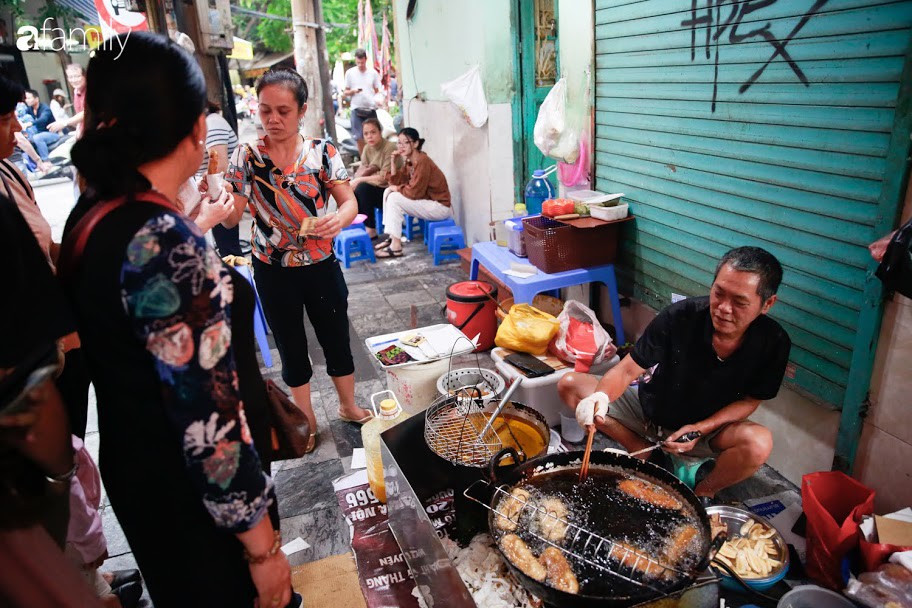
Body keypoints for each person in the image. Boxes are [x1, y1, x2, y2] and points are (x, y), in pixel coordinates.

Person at [58, 32, 296, 608]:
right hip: (193, 501)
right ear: (192, 127)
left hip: (138, 472)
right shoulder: (163, 242)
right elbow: (208, 424)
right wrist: (262, 550)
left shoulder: (93, 214)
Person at [559, 247, 791, 500]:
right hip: (651, 415)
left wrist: (700, 429)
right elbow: (627, 370)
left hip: (706, 432)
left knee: (758, 442)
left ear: (767, 303)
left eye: (739, 302)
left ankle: (704, 492)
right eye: (718, 293)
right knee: (571, 384)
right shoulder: (681, 317)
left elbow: (750, 401)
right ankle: (643, 449)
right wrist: (600, 398)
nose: (723, 308)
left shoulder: (774, 342)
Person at [225, 67, 374, 450]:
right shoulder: (247, 156)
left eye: (283, 111)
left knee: (336, 336)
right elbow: (231, 215)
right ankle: (305, 421)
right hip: (273, 269)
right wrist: (212, 196)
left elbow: (348, 201)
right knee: (291, 345)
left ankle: (347, 405)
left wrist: (336, 221)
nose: (272, 119)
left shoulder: (322, 152)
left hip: (321, 264)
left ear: (302, 110)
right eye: (265, 110)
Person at [375, 127, 452, 258]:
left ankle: (396, 246)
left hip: (439, 207)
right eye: (399, 142)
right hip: (427, 203)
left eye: (406, 142)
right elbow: (397, 182)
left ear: (415, 144)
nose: (401, 146)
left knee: (394, 197)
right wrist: (393, 163)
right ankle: (393, 236)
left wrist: (397, 189)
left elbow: (415, 192)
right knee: (388, 191)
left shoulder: (423, 161)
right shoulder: (410, 161)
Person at [195, 102, 242, 257]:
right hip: (212, 196)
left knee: (229, 252)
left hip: (219, 196)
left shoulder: (212, 123)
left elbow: (218, 166)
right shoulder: (207, 123)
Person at [352, 117, 396, 239]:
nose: (369, 136)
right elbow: (363, 170)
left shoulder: (389, 147)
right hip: (375, 188)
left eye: (373, 132)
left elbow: (384, 179)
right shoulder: (367, 148)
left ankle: (371, 230)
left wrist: (361, 179)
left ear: (380, 132)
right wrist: (361, 178)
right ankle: (359, 228)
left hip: (391, 191)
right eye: (366, 133)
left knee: (363, 188)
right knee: (353, 191)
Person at [343, 48, 380, 155]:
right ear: (355, 61)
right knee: (359, 137)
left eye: (362, 62)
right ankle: (364, 159)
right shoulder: (350, 73)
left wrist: (378, 100)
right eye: (358, 62)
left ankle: (375, 157)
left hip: (370, 108)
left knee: (374, 135)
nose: (360, 65)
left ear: (365, 60)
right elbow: (345, 91)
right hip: (356, 108)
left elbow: (377, 90)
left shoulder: (373, 73)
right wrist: (353, 91)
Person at [21, 90, 61, 161]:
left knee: (37, 137)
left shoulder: (45, 108)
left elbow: (43, 119)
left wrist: (30, 123)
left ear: (36, 98)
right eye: (25, 98)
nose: (26, 100)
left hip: (51, 133)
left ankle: (45, 161)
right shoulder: (30, 109)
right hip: (38, 133)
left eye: (29, 98)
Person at [49, 64, 85, 136]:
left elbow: (87, 112)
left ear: (85, 76)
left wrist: (64, 123)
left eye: (77, 76)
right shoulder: (76, 91)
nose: (74, 80)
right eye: (70, 77)